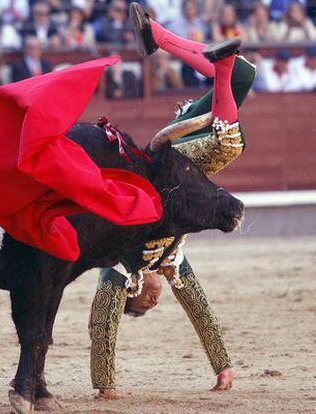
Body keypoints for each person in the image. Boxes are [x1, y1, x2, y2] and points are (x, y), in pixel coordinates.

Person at [89, 2, 257, 399]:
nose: (156, 297)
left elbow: (101, 322)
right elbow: (201, 310)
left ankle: (178, 44)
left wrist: (105, 385)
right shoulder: (170, 258)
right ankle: (162, 37)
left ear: (131, 292)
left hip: (166, 160)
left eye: (147, 302)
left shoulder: (118, 260)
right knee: (240, 77)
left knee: (229, 141)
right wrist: (224, 365)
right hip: (182, 165)